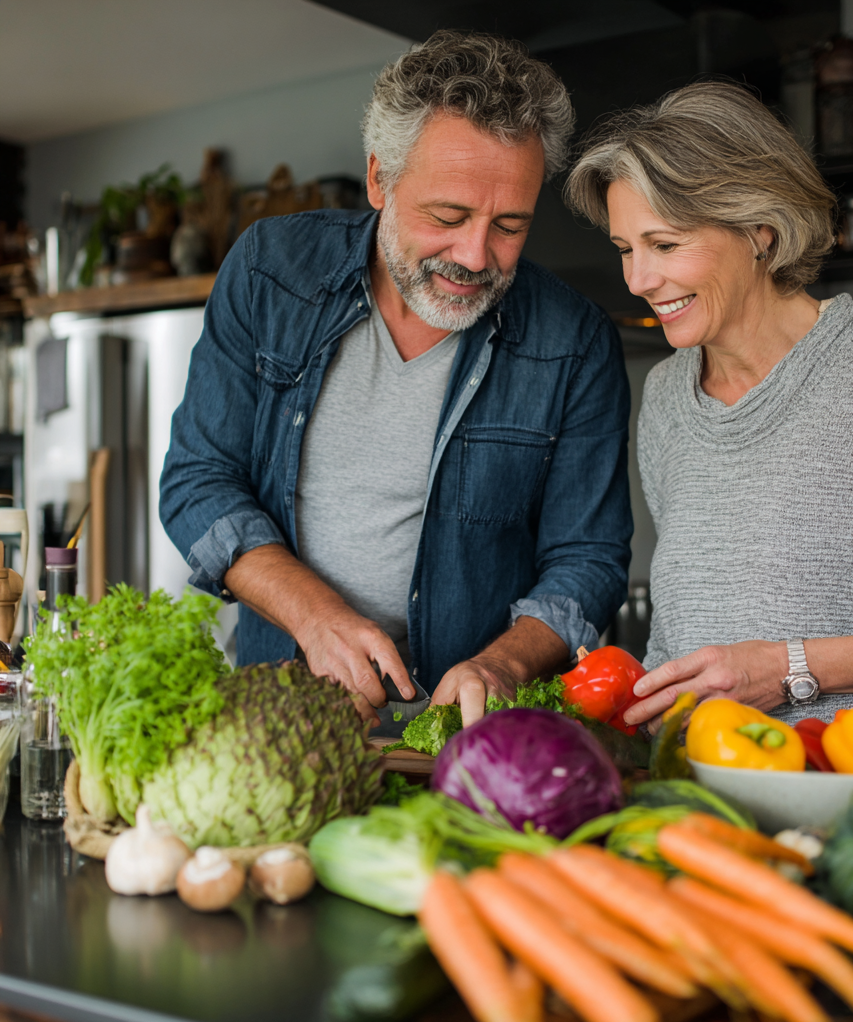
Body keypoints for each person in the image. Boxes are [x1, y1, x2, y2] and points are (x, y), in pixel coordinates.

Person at [160, 32, 632, 727]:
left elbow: (587, 560)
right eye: (448, 216)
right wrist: (315, 617)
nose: (475, 255)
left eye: (509, 225)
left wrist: (501, 664)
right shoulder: (270, 273)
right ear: (380, 179)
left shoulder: (575, 340)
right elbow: (198, 482)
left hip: (470, 741)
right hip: (287, 721)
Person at [565, 82, 853, 751]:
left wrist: (790, 670)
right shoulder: (667, 395)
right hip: (712, 796)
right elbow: (684, 627)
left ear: (760, 229)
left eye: (664, 245)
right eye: (624, 248)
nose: (637, 280)